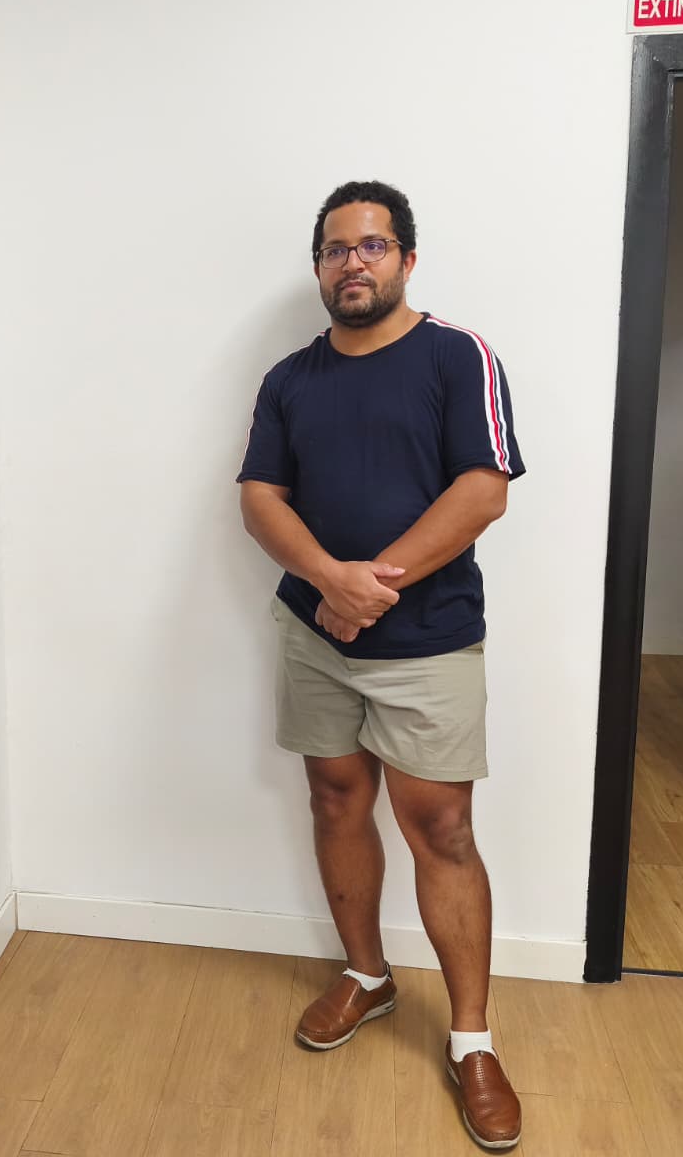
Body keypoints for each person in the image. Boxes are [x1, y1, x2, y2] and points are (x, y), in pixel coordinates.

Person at [237, 181, 525, 1150]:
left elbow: (483, 491)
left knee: (441, 829)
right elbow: (261, 498)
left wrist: (369, 588)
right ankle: (367, 977)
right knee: (333, 799)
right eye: (334, 249)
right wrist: (329, 580)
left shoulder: (456, 355)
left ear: (405, 259)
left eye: (370, 245)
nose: (351, 262)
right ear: (318, 267)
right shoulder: (290, 378)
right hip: (312, 634)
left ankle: (472, 1041)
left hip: (428, 638)